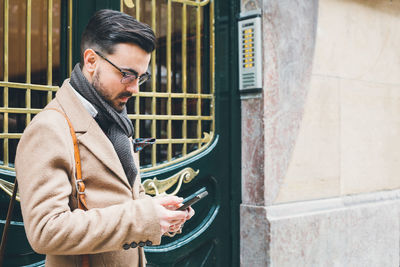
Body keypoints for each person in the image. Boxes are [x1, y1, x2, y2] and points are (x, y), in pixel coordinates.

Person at [15, 9, 194, 267]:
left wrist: (160, 213)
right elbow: (46, 231)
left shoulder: (114, 119)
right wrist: (144, 217)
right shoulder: (48, 128)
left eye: (141, 78)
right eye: (127, 74)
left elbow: (123, 200)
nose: (134, 88)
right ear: (91, 61)